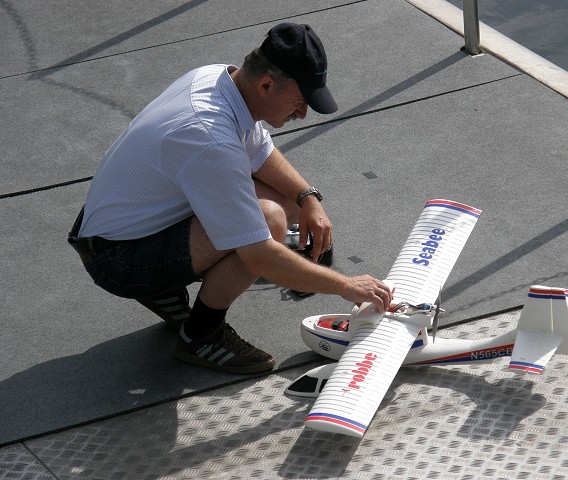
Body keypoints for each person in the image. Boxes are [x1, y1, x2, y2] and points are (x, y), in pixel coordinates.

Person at [68, 23, 392, 375]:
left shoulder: (218, 79)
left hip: (120, 229)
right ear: (266, 84)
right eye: (299, 102)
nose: (302, 114)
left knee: (287, 204)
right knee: (269, 223)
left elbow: (258, 151)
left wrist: (308, 197)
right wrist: (346, 286)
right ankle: (201, 336)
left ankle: (165, 287)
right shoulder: (209, 136)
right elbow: (257, 254)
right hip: (117, 260)